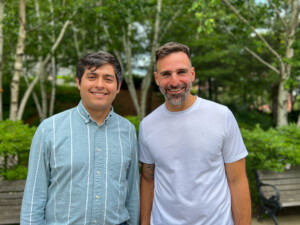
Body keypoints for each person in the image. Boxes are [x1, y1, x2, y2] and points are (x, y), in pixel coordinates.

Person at [21, 51, 140, 225]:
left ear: (118, 86)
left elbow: (132, 194)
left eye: (108, 79)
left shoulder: (128, 131)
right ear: (78, 82)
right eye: (92, 77)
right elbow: (34, 197)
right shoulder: (49, 129)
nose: (100, 85)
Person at [139, 42, 251, 225]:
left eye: (181, 72)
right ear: (157, 78)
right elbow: (147, 179)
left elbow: (237, 181)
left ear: (192, 74)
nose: (174, 82)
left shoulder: (222, 116)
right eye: (166, 74)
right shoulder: (147, 126)